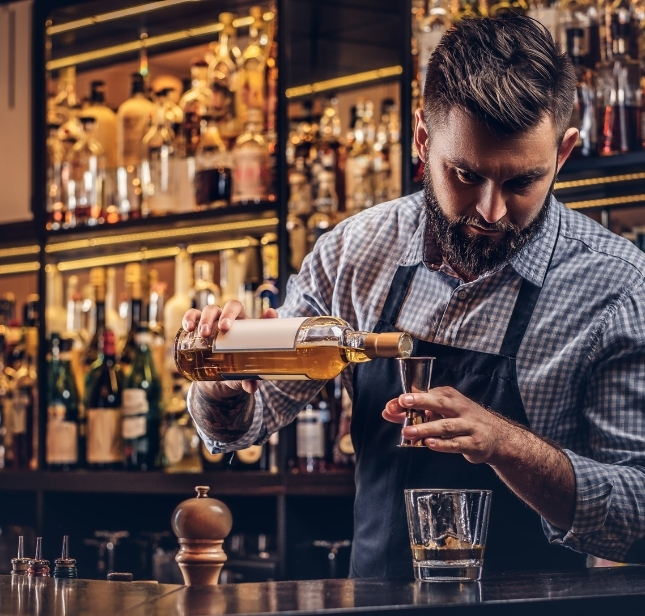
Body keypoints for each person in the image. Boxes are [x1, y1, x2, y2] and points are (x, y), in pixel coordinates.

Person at [185, 15, 645, 577]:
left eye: (522, 182)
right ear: (423, 140)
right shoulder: (356, 251)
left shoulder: (616, 285)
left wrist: (506, 445)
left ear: (564, 153)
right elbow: (238, 428)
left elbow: (637, 514)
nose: (491, 212)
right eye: (466, 175)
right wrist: (227, 386)